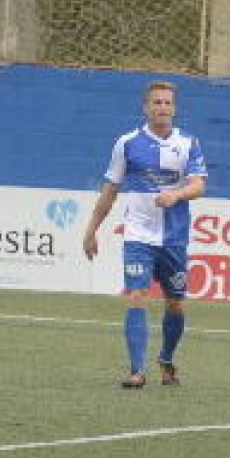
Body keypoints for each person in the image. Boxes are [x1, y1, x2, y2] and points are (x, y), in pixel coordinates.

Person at [83, 81, 207, 389]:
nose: (162, 107)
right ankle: (136, 371)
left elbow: (199, 184)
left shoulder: (188, 143)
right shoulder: (126, 143)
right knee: (136, 295)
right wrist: (91, 230)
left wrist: (176, 195)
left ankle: (166, 359)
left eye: (167, 103)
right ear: (146, 107)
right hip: (138, 235)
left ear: (174, 108)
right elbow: (110, 191)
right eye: (156, 102)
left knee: (175, 303)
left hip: (173, 238)